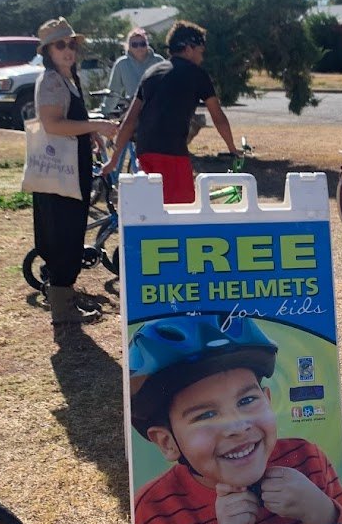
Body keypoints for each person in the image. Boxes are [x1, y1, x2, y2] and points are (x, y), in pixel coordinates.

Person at [129, 316, 342, 524]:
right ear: (167, 443)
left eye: (247, 400)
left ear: (268, 401)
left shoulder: (307, 458)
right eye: (206, 415)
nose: (238, 426)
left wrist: (319, 510)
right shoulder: (153, 512)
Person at [30, 17, 118, 329]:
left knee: (70, 232)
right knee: (62, 234)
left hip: (72, 170)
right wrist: (95, 126)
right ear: (47, 51)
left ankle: (64, 298)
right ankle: (62, 308)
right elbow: (52, 124)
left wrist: (90, 135)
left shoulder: (69, 77)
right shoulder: (52, 80)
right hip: (59, 175)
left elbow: (71, 119)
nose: (68, 50)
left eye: (71, 44)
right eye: (60, 45)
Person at [102, 20, 238, 204]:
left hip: (145, 151)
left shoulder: (151, 73)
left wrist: (114, 159)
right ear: (189, 49)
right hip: (172, 152)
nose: (201, 58)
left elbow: (130, 120)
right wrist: (232, 150)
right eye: (200, 52)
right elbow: (218, 117)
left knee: (153, 208)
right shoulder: (197, 74)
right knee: (181, 213)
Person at [103, 28, 164, 114]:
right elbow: (114, 92)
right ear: (128, 46)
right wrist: (105, 112)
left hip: (158, 110)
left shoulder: (159, 61)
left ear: (147, 44)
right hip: (134, 111)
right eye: (134, 44)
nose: (139, 47)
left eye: (142, 44)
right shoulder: (121, 64)